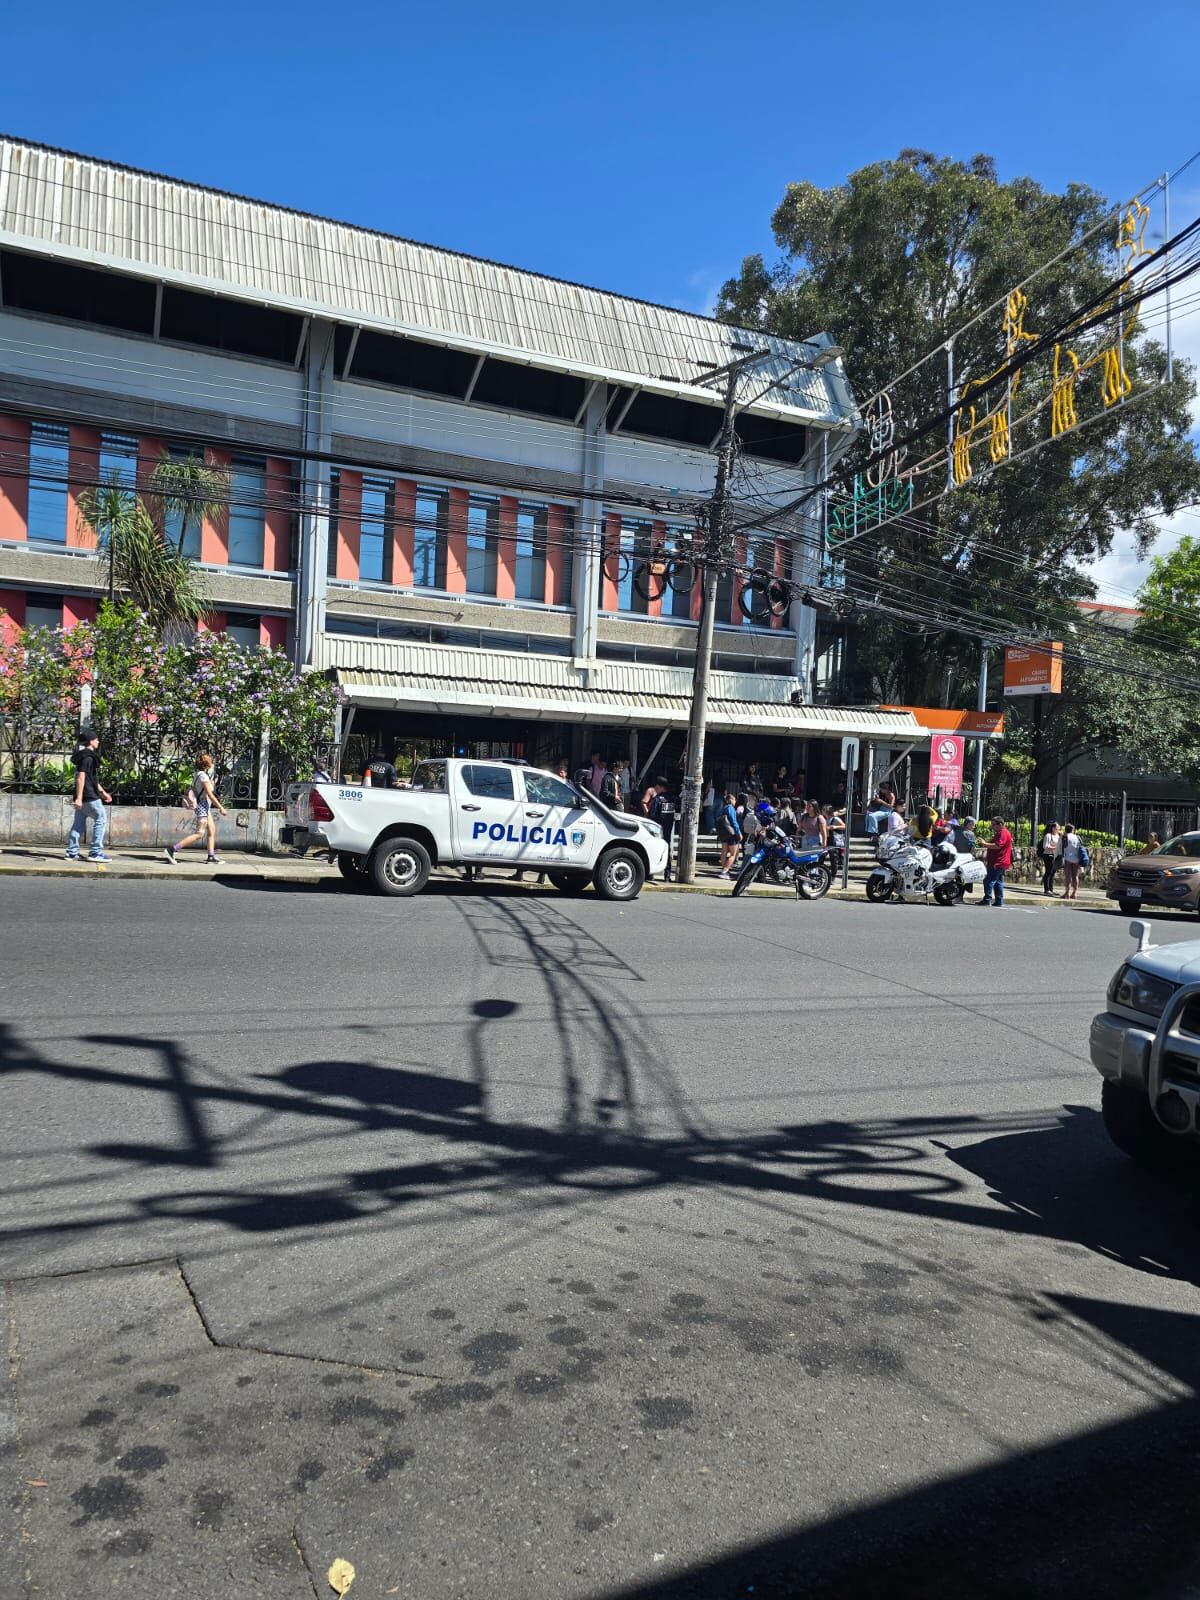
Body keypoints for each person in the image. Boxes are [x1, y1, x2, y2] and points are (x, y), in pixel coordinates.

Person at [166, 753, 228, 864]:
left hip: (204, 806)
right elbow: (210, 794)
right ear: (207, 764)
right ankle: (172, 849)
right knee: (199, 833)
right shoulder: (203, 776)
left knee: (212, 830)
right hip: (202, 806)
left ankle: (211, 856)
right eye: (211, 761)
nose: (212, 762)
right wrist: (221, 807)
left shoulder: (198, 774)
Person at [64, 727, 112, 863]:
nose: (98, 741)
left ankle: (72, 853)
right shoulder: (88, 758)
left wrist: (103, 793)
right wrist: (79, 798)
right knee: (101, 819)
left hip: (85, 795)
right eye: (96, 739)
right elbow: (81, 777)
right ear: (91, 741)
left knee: (78, 824)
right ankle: (95, 852)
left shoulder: (84, 757)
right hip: (88, 796)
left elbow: (92, 779)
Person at [647, 776, 678, 881]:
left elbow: (652, 815)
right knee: (667, 851)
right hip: (668, 830)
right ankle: (667, 875)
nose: (655, 788)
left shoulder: (657, 799)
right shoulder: (671, 799)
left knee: (654, 850)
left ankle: (651, 874)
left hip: (657, 831)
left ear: (660, 786)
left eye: (656, 786)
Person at [981, 815, 1013, 907]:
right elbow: (994, 843)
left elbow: (998, 845)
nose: (992, 826)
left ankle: (987, 899)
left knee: (989, 880)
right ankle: (999, 901)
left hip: (998, 862)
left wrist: (985, 844)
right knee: (998, 881)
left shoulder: (1003, 833)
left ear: (1000, 824)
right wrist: (985, 843)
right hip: (999, 862)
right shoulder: (1001, 832)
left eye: (993, 825)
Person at [715, 789, 741, 876]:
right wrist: (738, 832)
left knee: (724, 852)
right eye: (734, 800)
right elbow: (733, 821)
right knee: (733, 854)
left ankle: (724, 869)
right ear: (731, 800)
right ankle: (724, 872)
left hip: (724, 833)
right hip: (731, 833)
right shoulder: (730, 808)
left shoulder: (723, 808)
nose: (735, 802)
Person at [1039, 820, 1063, 896]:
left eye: (1059, 829)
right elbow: (1045, 846)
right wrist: (1054, 848)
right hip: (1048, 855)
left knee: (1053, 873)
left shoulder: (1058, 836)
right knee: (1048, 872)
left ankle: (1051, 889)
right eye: (1056, 828)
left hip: (1055, 856)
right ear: (1052, 828)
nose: (1058, 830)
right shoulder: (1048, 835)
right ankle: (1046, 889)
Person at [1062, 822, 1084, 900]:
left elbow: (1061, 847)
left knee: (1068, 876)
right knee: (1075, 876)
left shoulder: (1065, 836)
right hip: (1077, 859)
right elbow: (1081, 847)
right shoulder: (1078, 837)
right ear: (1073, 830)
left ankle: (1067, 893)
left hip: (1067, 858)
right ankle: (1074, 893)